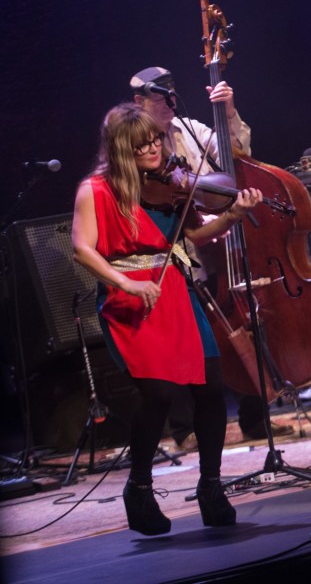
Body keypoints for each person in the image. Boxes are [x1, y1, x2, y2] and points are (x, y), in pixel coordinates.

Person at [71, 103, 262, 535]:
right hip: (131, 298)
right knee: (156, 394)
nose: (155, 148)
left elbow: (193, 234)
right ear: (123, 149)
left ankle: (211, 487)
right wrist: (128, 284)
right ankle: (139, 488)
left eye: (156, 140)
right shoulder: (95, 190)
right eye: (143, 145)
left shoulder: (169, 185)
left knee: (211, 389)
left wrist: (232, 213)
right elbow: (83, 248)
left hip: (175, 289)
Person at [129, 67, 293, 446]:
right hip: (177, 249)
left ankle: (256, 420)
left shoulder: (189, 129)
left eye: (172, 96)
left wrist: (229, 112)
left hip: (220, 242)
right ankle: (184, 429)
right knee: (185, 338)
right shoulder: (134, 143)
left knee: (250, 317)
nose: (170, 104)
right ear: (139, 102)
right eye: (159, 99)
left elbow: (237, 161)